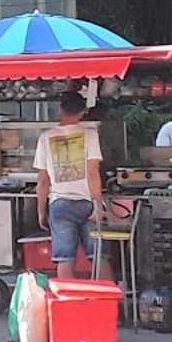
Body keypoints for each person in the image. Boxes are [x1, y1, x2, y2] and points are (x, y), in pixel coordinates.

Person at [35, 90, 104, 273]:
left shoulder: (45, 137)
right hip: (87, 203)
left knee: (64, 258)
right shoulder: (90, 134)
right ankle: (107, 300)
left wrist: (41, 211)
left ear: (60, 109)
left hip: (59, 204)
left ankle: (67, 301)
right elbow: (92, 172)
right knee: (99, 256)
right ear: (82, 113)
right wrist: (98, 203)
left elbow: (43, 180)